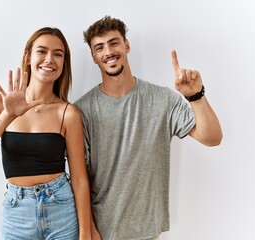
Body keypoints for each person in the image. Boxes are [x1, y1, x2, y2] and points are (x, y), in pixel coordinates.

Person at [74, 16, 223, 240]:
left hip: (148, 232)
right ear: (94, 57)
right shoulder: (82, 111)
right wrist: (88, 231)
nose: (108, 52)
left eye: (114, 43)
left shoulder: (163, 99)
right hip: (102, 233)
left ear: (127, 45)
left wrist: (195, 96)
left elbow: (212, 137)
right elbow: (79, 178)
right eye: (99, 47)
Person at [0, 27, 91, 240]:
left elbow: (79, 178)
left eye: (58, 54)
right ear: (28, 57)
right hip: (16, 213)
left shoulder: (68, 113)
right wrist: (7, 116)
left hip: (61, 210)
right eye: (42, 51)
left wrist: (85, 234)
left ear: (63, 63)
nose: (50, 59)